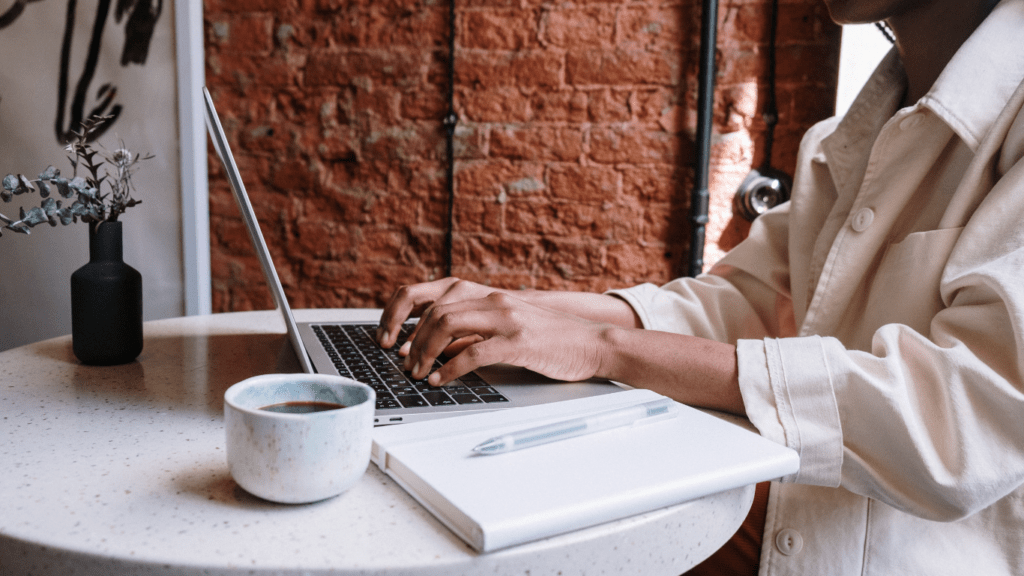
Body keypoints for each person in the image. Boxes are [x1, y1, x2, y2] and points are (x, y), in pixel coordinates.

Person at [375, 0, 1024, 572]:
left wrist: (604, 348)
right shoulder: (860, 131)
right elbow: (741, 303)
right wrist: (521, 310)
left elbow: (960, 420)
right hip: (792, 527)